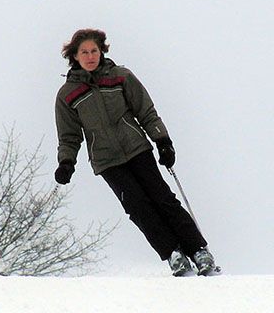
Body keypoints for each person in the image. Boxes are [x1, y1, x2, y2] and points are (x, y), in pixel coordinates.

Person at [53, 28, 219, 276]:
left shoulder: (121, 77)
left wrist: (163, 141)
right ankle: (173, 253)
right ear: (74, 56)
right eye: (84, 52)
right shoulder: (67, 95)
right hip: (107, 160)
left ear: (102, 51)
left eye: (94, 51)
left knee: (162, 198)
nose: (90, 56)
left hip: (136, 148)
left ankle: (198, 250)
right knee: (138, 207)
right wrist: (66, 163)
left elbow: (146, 111)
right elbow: (69, 136)